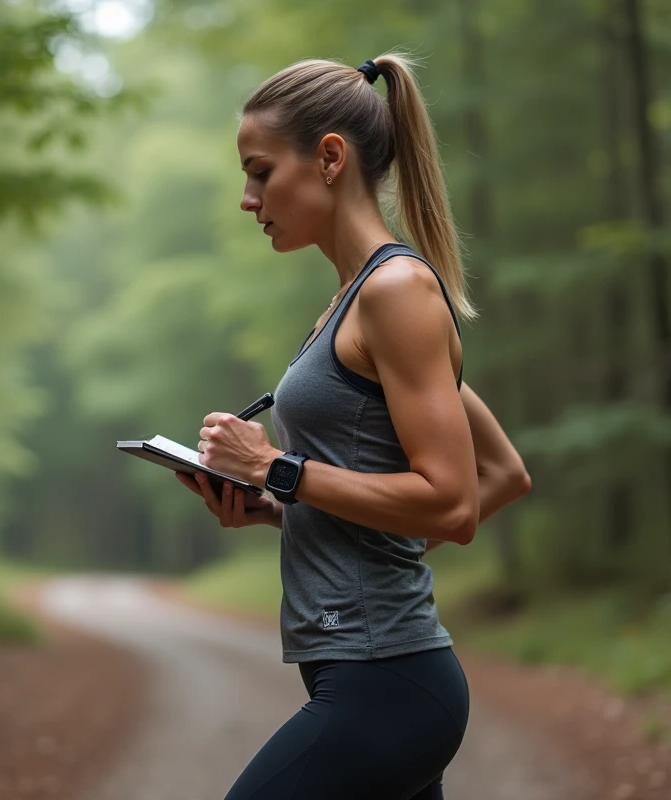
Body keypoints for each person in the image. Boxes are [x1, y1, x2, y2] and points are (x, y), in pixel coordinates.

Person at [175, 54, 531, 799]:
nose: (248, 198)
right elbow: (503, 472)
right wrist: (277, 511)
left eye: (261, 171)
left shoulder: (397, 291)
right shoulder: (349, 304)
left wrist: (278, 468)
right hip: (372, 676)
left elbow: (456, 503)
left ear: (330, 157)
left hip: (389, 683)